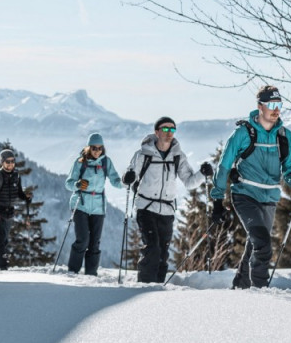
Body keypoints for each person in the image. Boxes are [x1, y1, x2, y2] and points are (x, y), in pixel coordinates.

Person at [209, 85, 291, 289]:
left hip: (270, 198)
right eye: (271, 104)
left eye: (279, 104)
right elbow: (224, 165)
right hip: (245, 195)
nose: (276, 109)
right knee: (262, 244)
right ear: (260, 106)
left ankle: (240, 286)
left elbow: (289, 171)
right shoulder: (243, 133)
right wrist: (218, 200)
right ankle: (259, 292)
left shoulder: (285, 136)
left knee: (255, 244)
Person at [123, 116, 213, 283]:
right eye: (165, 129)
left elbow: (189, 182)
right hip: (146, 208)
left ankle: (157, 288)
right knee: (153, 249)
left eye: (172, 129)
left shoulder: (177, 156)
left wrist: (203, 174)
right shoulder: (143, 155)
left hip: (167, 210)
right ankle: (144, 286)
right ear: (156, 132)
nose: (169, 132)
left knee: (163, 253)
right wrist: (127, 178)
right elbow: (130, 177)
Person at [64, 133, 123, 276]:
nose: (97, 151)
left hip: (98, 207)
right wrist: (78, 184)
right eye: (94, 148)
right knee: (83, 239)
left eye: (100, 148)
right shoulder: (80, 162)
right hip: (80, 204)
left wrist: (126, 182)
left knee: (95, 242)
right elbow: (68, 183)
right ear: (88, 148)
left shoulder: (105, 162)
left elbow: (116, 180)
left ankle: (91, 274)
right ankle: (73, 271)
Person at [0, 149, 32, 270]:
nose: (10, 164)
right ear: (2, 162)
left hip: (9, 212)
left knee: (3, 240)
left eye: (12, 161)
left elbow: (18, 193)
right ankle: (1, 268)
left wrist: (26, 197)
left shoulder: (16, 175)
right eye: (7, 161)